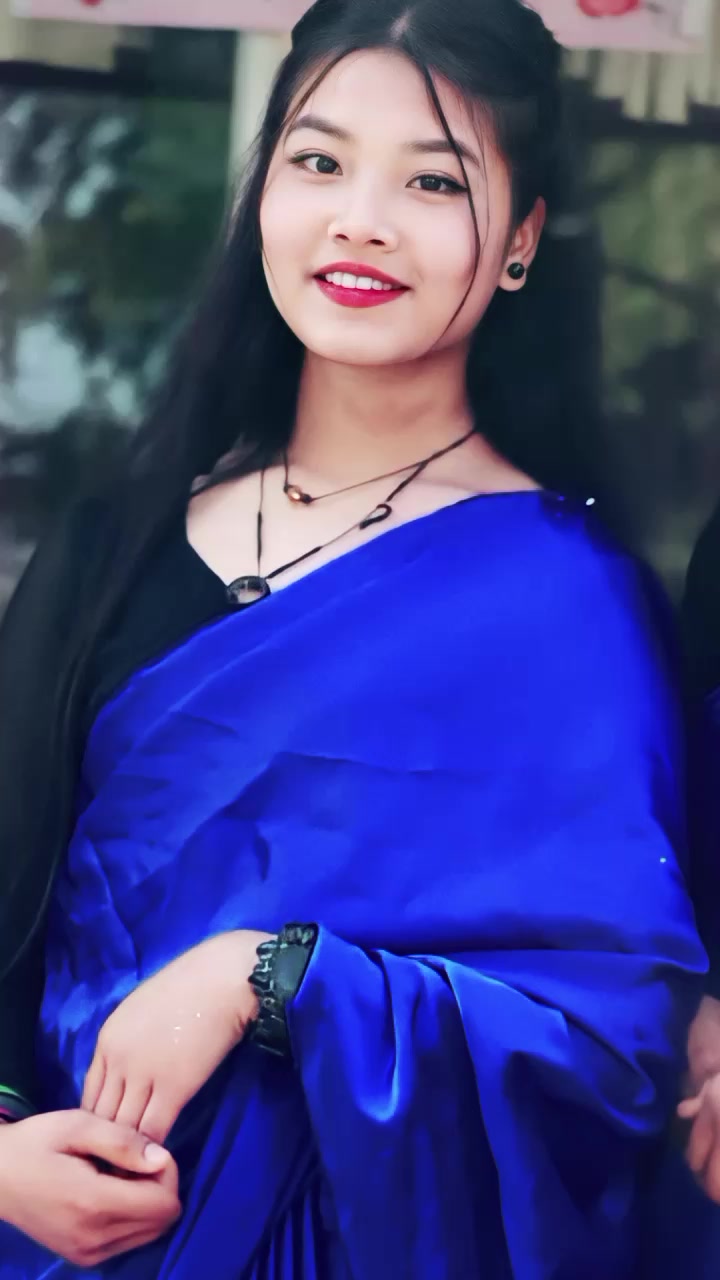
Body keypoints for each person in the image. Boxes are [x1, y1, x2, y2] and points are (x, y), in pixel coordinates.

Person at [0, 1, 705, 1276]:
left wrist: (272, 978)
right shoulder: (110, 548)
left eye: (433, 180)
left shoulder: (571, 607)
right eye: (319, 160)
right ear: (263, 192)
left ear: (521, 241)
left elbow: (606, 1046)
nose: (360, 219)